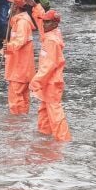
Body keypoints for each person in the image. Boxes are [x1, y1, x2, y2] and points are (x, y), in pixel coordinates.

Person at [29, 10, 72, 142]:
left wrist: (35, 82)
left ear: (54, 23)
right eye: (44, 21)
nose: (44, 24)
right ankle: (45, 137)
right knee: (44, 111)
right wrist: (36, 7)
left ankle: (63, 140)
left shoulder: (51, 41)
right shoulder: (52, 35)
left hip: (51, 82)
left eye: (47, 22)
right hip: (49, 82)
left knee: (54, 111)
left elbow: (48, 66)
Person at [2, 0, 37, 115]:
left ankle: (15, 128)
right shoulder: (21, 21)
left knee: (16, 100)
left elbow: (20, 42)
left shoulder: (22, 23)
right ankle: (21, 126)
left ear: (16, 7)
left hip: (19, 70)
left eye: (11, 4)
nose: (10, 7)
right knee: (23, 99)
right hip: (21, 69)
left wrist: (7, 47)